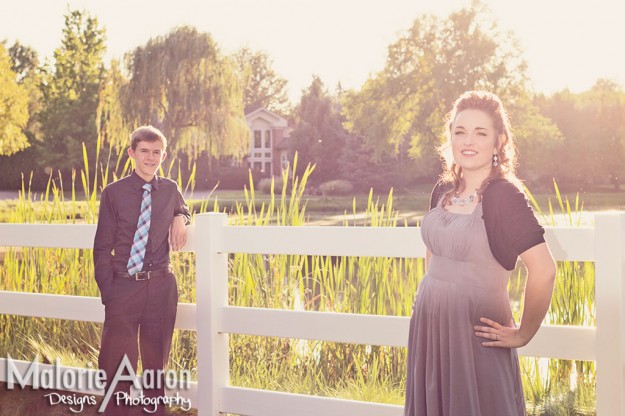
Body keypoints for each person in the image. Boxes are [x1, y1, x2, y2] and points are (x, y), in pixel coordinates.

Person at [404, 91, 556, 416]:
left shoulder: (505, 196)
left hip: (476, 332)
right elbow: (434, 252)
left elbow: (544, 270)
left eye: (480, 132)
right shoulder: (443, 190)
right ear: (450, 138)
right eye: (460, 131)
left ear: (499, 141)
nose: (468, 141)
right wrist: (432, 296)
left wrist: (523, 334)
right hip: (430, 328)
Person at [93, 125, 190, 415]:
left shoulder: (170, 189)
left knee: (155, 364)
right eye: (145, 151)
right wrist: (109, 292)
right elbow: (101, 247)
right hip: (123, 287)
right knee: (117, 362)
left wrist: (180, 217)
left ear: (164, 155)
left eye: (156, 152)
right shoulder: (113, 193)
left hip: (161, 286)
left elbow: (184, 208)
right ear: (132, 153)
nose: (151, 158)